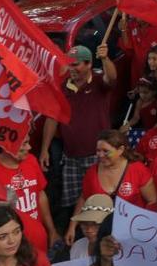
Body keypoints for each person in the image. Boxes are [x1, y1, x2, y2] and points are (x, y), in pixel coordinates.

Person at [40, 45, 116, 228]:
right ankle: (78, 236)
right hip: (72, 157)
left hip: (98, 157)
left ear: (89, 64)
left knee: (99, 202)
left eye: (76, 65)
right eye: (69, 65)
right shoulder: (62, 87)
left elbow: (112, 78)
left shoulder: (99, 82)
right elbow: (53, 118)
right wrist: (44, 150)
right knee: (75, 202)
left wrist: (105, 59)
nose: (71, 69)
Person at [66, 130, 157, 245]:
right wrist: (72, 226)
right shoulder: (92, 172)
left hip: (133, 233)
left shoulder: (138, 169)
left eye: (106, 151)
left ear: (121, 150)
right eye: (98, 151)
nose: (100, 155)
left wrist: (144, 227)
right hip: (103, 235)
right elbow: (84, 199)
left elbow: (152, 201)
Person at [0, 136, 60, 248]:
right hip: (11, 244)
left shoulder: (31, 160)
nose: (29, 147)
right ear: (7, 147)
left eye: (28, 142)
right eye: (23, 145)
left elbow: (40, 195)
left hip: (38, 238)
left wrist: (51, 230)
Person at [68, 195, 113, 260]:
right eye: (84, 224)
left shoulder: (120, 252)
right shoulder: (77, 247)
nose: (89, 230)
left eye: (96, 224)